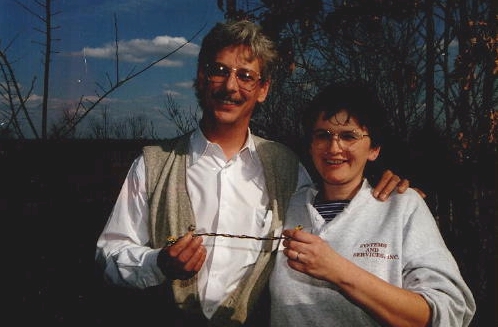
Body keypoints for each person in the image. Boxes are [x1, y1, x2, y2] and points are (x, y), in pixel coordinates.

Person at [95, 21, 409, 326]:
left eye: (246, 76)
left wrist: (387, 194)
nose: (231, 86)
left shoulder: (285, 166)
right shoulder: (153, 164)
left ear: (262, 89)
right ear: (202, 77)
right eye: (219, 71)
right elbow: (110, 254)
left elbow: (336, 214)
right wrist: (158, 263)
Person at [269, 82, 476, 327]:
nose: (334, 147)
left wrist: (338, 270)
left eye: (349, 136)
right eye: (323, 135)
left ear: (374, 149)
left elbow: (448, 311)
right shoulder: (285, 206)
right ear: (311, 145)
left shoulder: (402, 206)